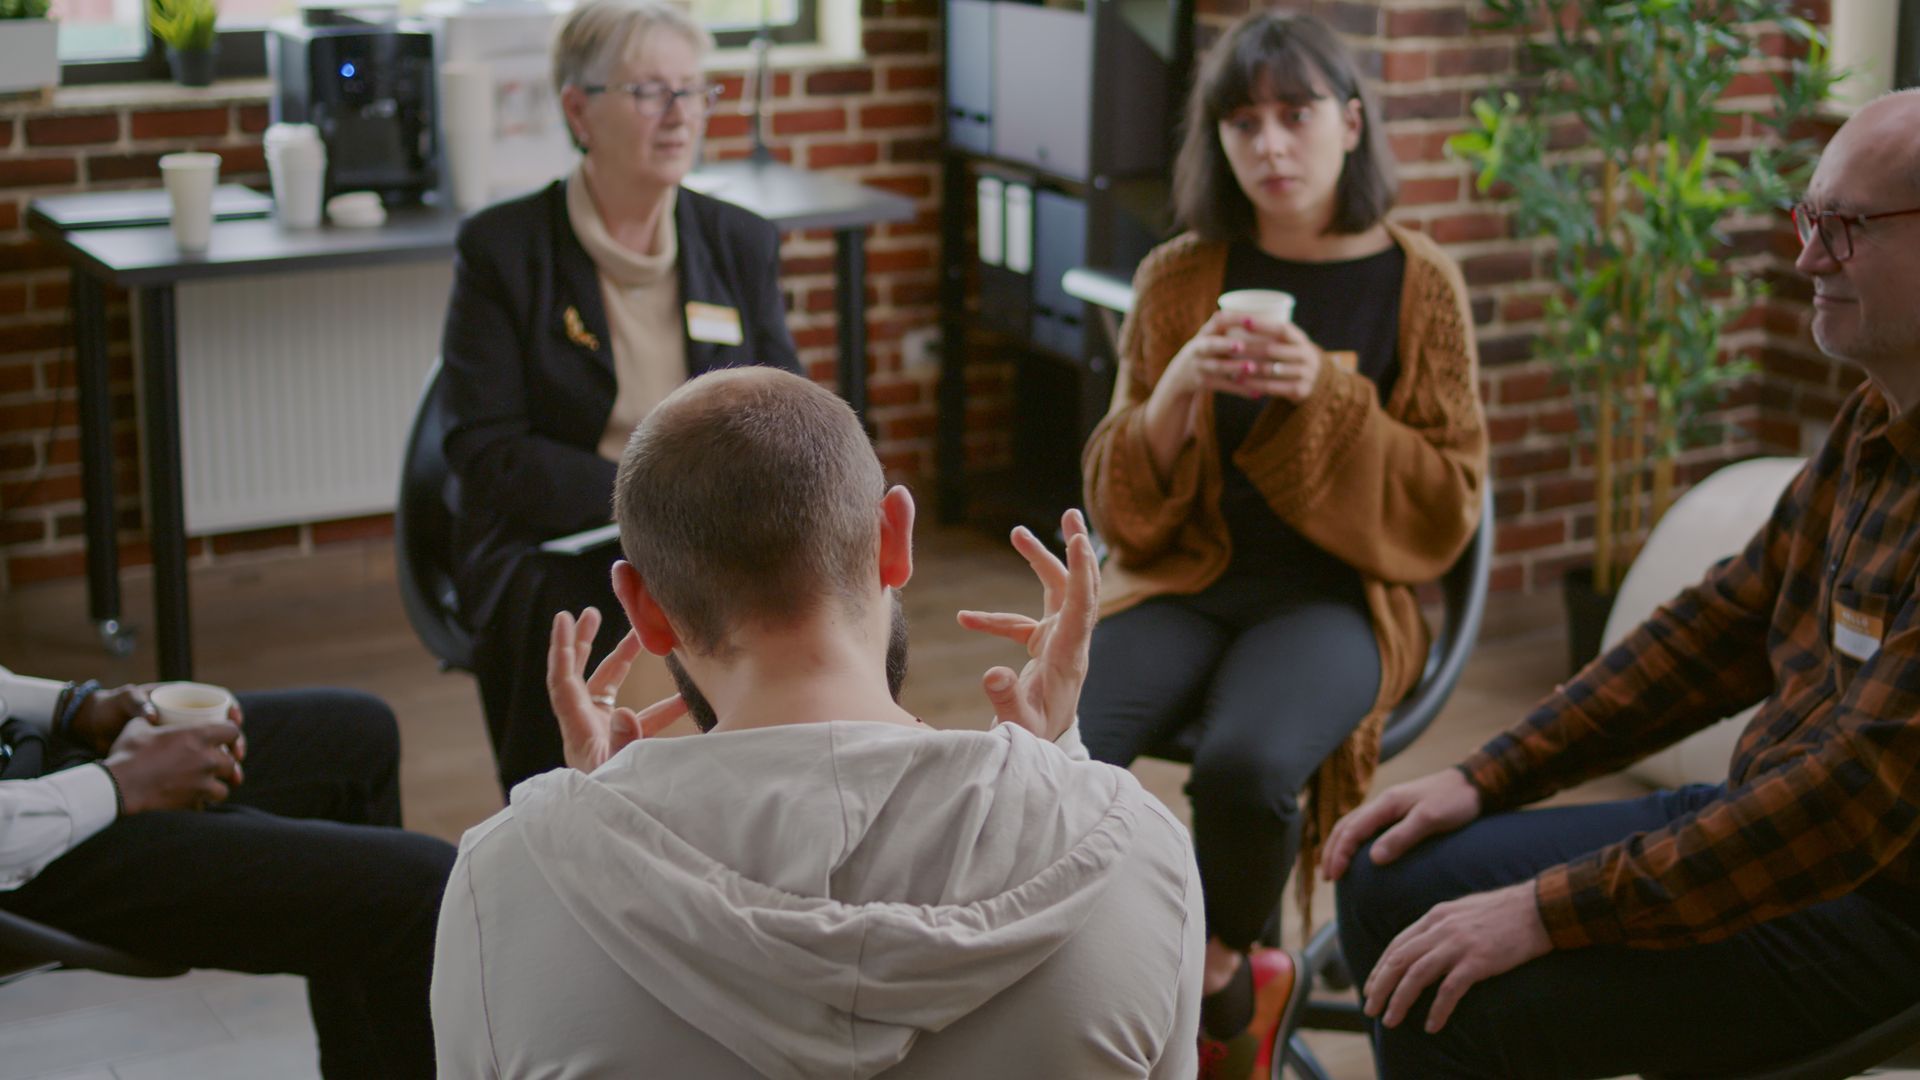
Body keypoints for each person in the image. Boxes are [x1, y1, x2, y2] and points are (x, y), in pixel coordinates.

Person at [1325, 89, 1920, 1079]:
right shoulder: (1875, 420)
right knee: (1392, 875)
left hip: (1879, 913)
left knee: (1454, 1000)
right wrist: (1486, 776)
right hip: (1766, 831)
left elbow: (1852, 800)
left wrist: (1548, 912)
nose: (1809, 257)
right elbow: (1723, 625)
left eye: (1848, 228)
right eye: (1810, 217)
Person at [430, 368, 1204, 1078]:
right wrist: (1056, 769)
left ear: (645, 609)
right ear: (894, 540)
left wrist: (598, 820)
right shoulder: (1142, 853)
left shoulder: (504, 882)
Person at [1077, 9, 1486, 1050]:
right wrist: (1172, 390)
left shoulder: (1418, 283)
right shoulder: (1180, 275)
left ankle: (1221, 979)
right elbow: (1121, 510)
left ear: (1350, 124)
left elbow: (1447, 503)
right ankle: (1091, 950)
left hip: (1337, 595)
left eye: (1295, 115)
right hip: (1188, 575)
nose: (1268, 144)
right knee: (1055, 743)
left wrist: (1331, 402)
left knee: (1247, 770)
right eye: (1241, 122)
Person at [440, 0, 801, 796]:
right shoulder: (505, 250)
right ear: (578, 108)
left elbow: (787, 412)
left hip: (711, 526)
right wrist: (656, 508)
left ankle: (770, 813)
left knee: (820, 590)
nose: (680, 116)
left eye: (694, 91)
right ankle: (584, 822)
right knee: (598, 603)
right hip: (558, 533)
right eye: (649, 93)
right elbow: (486, 450)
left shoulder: (739, 241)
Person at [0, 671, 455, 1078]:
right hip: (26, 848)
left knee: (360, 732)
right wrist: (121, 782)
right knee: (423, 889)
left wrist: (73, 706)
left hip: (28, 763)